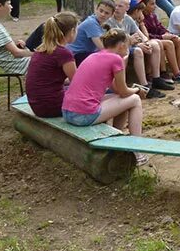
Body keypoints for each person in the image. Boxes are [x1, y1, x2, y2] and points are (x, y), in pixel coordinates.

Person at [62, 28, 148, 165]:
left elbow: (118, 91)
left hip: (67, 112)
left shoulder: (94, 56)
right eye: (128, 44)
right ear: (122, 45)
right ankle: (137, 151)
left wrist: (130, 89)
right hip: (82, 115)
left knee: (123, 100)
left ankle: (116, 137)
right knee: (135, 100)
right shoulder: (115, 59)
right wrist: (137, 90)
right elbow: (124, 91)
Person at [106, 0, 171, 96]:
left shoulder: (127, 19)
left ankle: (156, 78)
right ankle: (145, 85)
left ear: (127, 8)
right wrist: (136, 44)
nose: (116, 8)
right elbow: (115, 43)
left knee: (154, 44)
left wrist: (145, 43)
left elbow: (142, 35)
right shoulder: (109, 21)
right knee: (138, 51)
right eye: (115, 5)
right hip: (119, 49)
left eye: (120, 6)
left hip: (129, 46)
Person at [25, 12, 78, 117]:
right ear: (72, 31)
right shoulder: (63, 53)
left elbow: (52, 79)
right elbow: (77, 82)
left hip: (37, 104)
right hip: (51, 106)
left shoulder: (43, 48)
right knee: (98, 96)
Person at [128, 0, 180, 84]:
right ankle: (164, 73)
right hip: (147, 41)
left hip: (149, 40)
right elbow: (147, 36)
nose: (155, 6)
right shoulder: (138, 19)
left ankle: (179, 70)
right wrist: (161, 36)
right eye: (152, 4)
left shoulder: (152, 16)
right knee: (165, 44)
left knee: (177, 40)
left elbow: (159, 27)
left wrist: (167, 33)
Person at [68, 0, 116, 65]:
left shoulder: (101, 23)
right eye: (101, 11)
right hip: (75, 55)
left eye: (106, 13)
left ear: (112, 15)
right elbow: (101, 47)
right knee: (109, 57)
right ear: (96, 9)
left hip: (85, 53)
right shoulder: (91, 23)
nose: (102, 14)